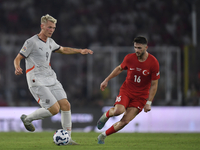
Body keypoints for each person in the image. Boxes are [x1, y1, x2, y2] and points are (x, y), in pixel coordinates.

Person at [14, 14, 93, 145]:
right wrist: (17, 67)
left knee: (66, 105)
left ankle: (67, 138)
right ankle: (27, 119)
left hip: (51, 78)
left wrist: (80, 51)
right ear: (42, 26)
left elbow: (63, 49)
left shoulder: (50, 42)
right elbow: (17, 58)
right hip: (36, 80)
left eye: (54, 28)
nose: (51, 30)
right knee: (55, 109)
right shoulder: (31, 42)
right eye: (49, 27)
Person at [97, 36, 160, 144]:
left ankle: (103, 136)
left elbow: (154, 84)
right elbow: (119, 68)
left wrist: (149, 102)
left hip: (140, 97)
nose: (137, 50)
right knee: (118, 111)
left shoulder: (153, 62)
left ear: (146, 47)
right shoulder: (129, 58)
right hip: (127, 91)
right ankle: (106, 115)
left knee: (125, 121)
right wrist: (106, 80)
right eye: (135, 47)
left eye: (139, 48)